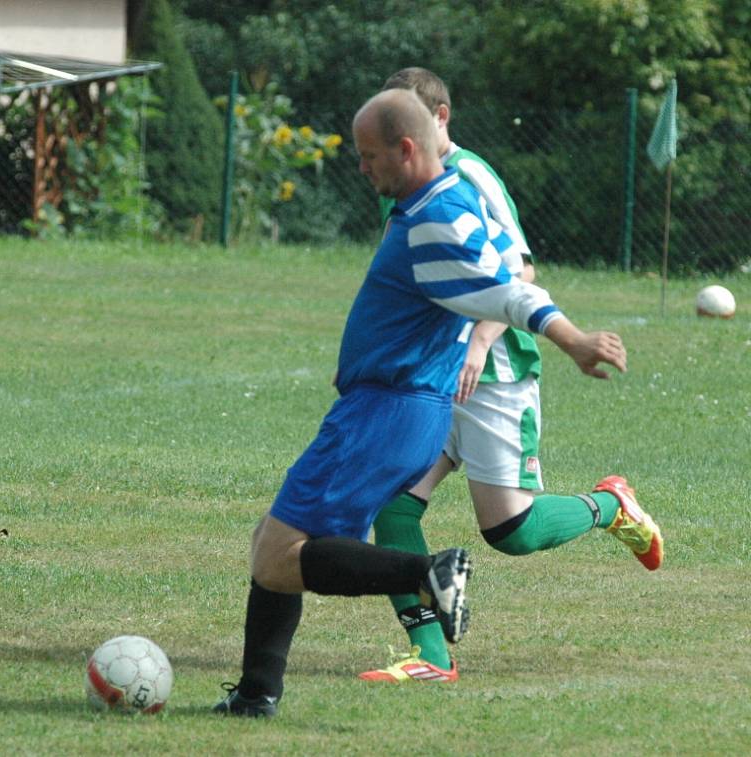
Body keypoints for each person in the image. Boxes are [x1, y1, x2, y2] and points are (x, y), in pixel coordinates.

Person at [213, 87, 627, 718]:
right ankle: (253, 698)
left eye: (369, 154)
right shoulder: (448, 200)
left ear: (407, 150)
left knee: (276, 554)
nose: (362, 168)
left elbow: (509, 294)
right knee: (276, 545)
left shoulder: (435, 219)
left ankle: (422, 574)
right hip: (401, 408)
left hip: (387, 411)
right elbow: (501, 281)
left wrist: (571, 339)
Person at [358, 68, 663, 685]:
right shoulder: (411, 182)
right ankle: (432, 657)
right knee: (390, 509)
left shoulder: (470, 177)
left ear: (439, 118)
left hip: (495, 377)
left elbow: (518, 273)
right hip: (438, 378)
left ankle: (612, 506)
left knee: (510, 531)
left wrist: (476, 346)